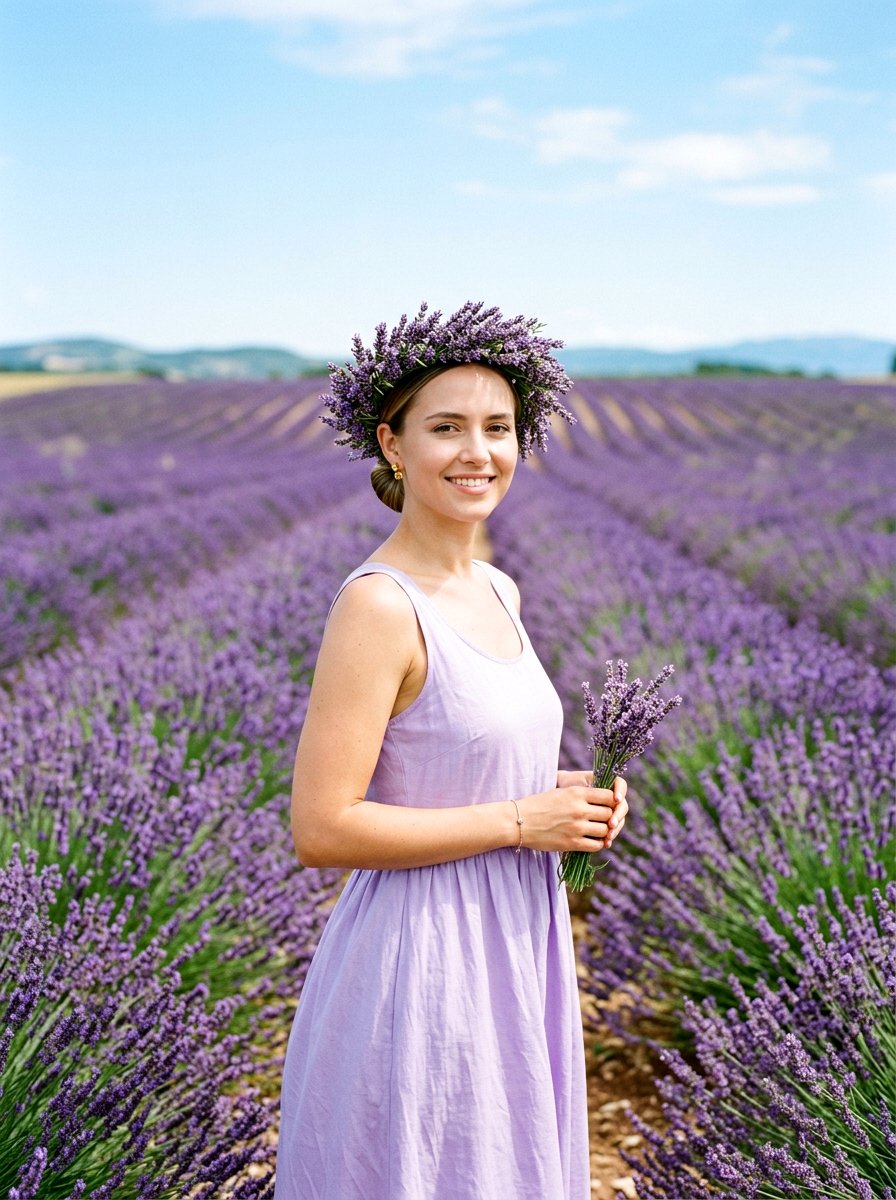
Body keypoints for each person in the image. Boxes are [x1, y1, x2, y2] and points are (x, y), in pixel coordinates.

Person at [273, 301, 629, 1200]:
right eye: (446, 428)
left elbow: (458, 757)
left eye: (498, 427)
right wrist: (520, 818)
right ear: (392, 445)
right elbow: (322, 827)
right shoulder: (380, 606)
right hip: (423, 960)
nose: (478, 452)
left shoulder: (499, 587)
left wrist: (571, 799)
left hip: (516, 942)